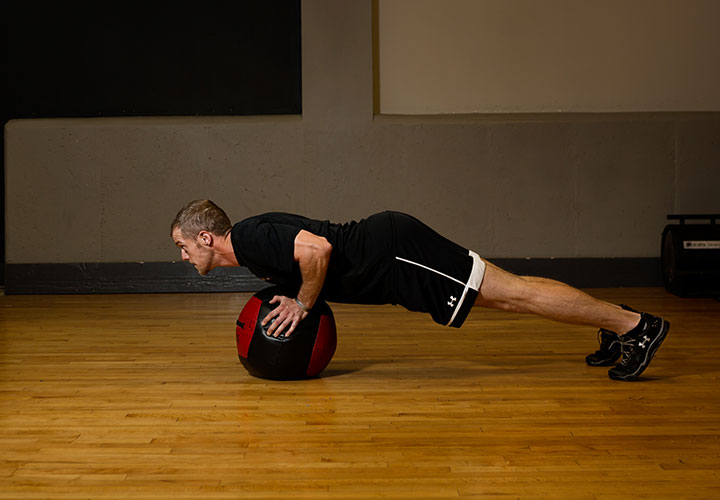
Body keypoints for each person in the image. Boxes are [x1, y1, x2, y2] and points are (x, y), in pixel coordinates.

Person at [170, 199, 669, 381]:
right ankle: (614, 321)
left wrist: (303, 301)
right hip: (395, 262)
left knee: (514, 294)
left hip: (396, 254)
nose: (183, 256)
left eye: (183, 246)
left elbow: (318, 249)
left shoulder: (252, 235)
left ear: (206, 237)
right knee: (509, 294)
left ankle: (636, 326)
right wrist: (294, 292)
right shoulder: (252, 248)